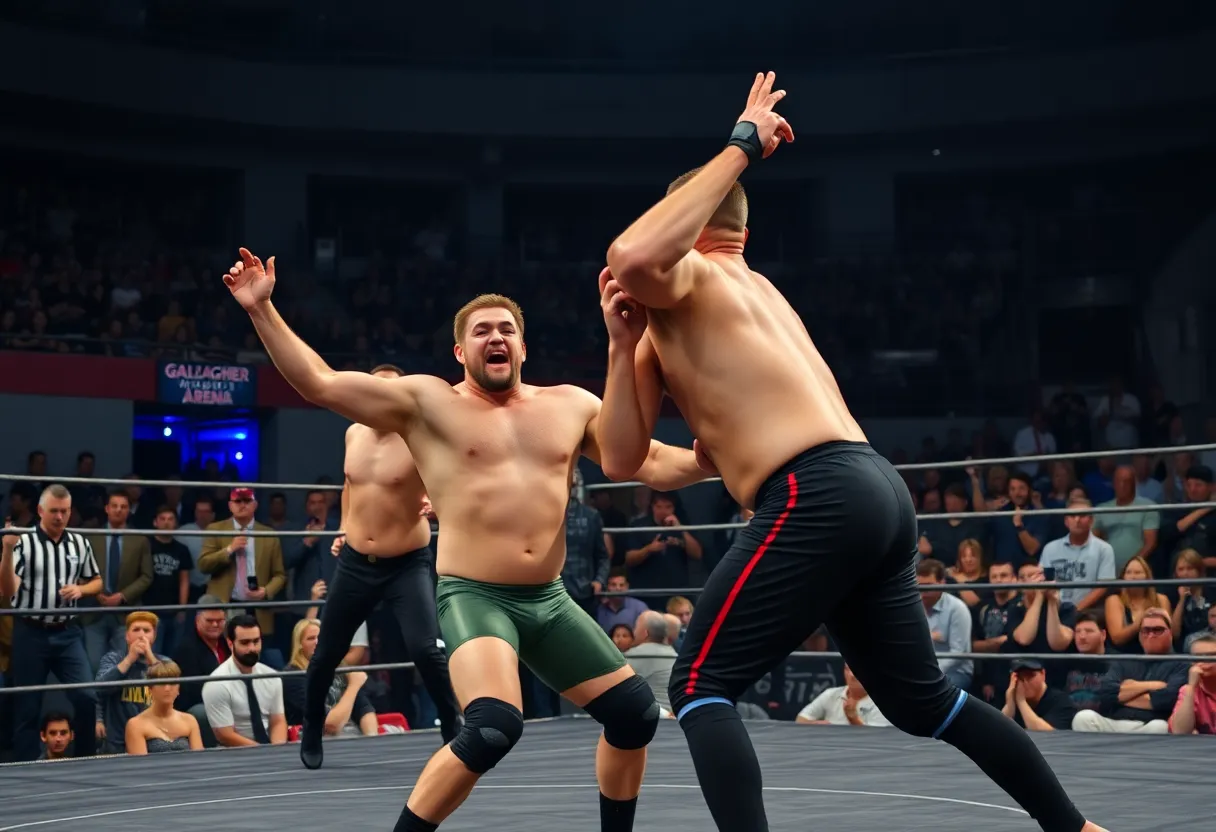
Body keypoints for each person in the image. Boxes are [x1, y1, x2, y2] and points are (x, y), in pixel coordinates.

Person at [595, 71, 1106, 832]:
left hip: (814, 493)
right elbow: (621, 457)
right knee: (920, 699)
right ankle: (1076, 828)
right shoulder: (744, 298)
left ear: (687, 220)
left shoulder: (695, 275)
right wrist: (620, 342)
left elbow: (633, 255)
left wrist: (739, 145)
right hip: (873, 491)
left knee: (700, 682)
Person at [224, 248, 711, 832]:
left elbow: (646, 460)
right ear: (461, 352)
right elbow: (321, 383)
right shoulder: (428, 404)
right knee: (491, 728)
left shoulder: (571, 405)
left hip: (549, 600)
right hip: (476, 596)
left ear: (523, 347)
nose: (495, 337)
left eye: (507, 329)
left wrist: (711, 464)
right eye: (481, 331)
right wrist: (261, 310)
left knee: (635, 716)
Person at [297, 362, 460, 769]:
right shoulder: (353, 432)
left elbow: (458, 481)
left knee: (426, 649)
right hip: (355, 563)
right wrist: (343, 527)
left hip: (406, 563)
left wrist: (439, 504)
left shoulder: (421, 439)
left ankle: (453, 729)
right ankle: (313, 727)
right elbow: (351, 485)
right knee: (325, 654)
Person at [124, 660, 204, 754]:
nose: (167, 688)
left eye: (172, 683)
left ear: (178, 688)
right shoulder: (136, 725)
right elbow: (141, 766)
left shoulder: (190, 721)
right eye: (161, 683)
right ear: (150, 688)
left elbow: (198, 760)